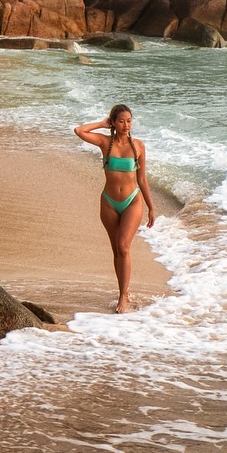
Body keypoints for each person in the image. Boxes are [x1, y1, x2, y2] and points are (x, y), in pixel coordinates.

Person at [73, 104, 155, 313]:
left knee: (123, 246)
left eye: (129, 121)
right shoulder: (105, 142)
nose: (126, 125)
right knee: (116, 250)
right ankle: (122, 291)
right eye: (121, 121)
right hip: (109, 201)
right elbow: (79, 131)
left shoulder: (138, 146)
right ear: (113, 122)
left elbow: (142, 179)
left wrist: (151, 207)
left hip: (132, 201)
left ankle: (123, 297)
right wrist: (102, 123)